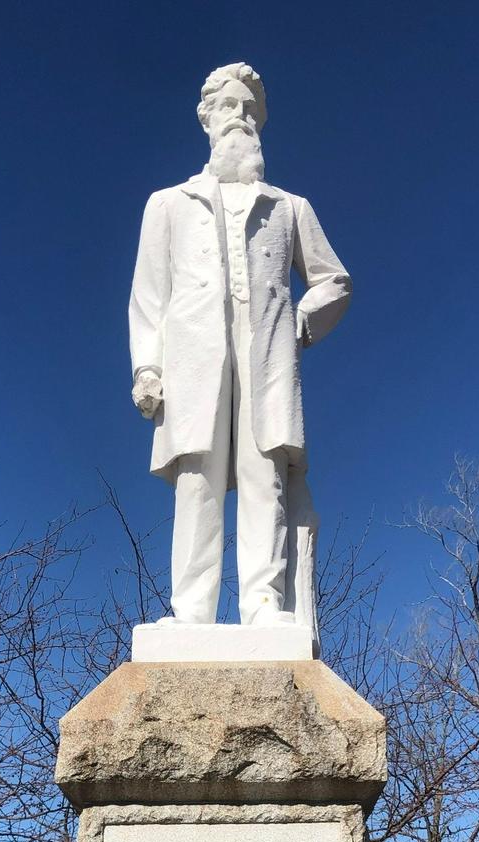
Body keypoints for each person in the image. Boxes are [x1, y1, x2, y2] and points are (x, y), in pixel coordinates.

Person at [128, 62, 351, 646]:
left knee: (263, 473)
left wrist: (302, 319)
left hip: (266, 354)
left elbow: (334, 281)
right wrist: (147, 366)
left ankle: (263, 605)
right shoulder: (168, 204)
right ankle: (192, 610)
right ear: (206, 119)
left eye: (250, 109)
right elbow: (149, 296)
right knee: (198, 477)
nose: (240, 118)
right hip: (194, 360)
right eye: (229, 106)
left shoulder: (288, 207)